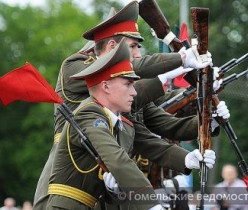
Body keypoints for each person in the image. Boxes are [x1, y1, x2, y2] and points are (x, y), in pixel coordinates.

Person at [46, 40, 216, 209]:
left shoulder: (123, 120)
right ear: (105, 86)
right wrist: (150, 204)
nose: (134, 92)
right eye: (128, 84)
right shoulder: (88, 113)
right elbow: (117, 159)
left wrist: (188, 158)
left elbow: (150, 143)